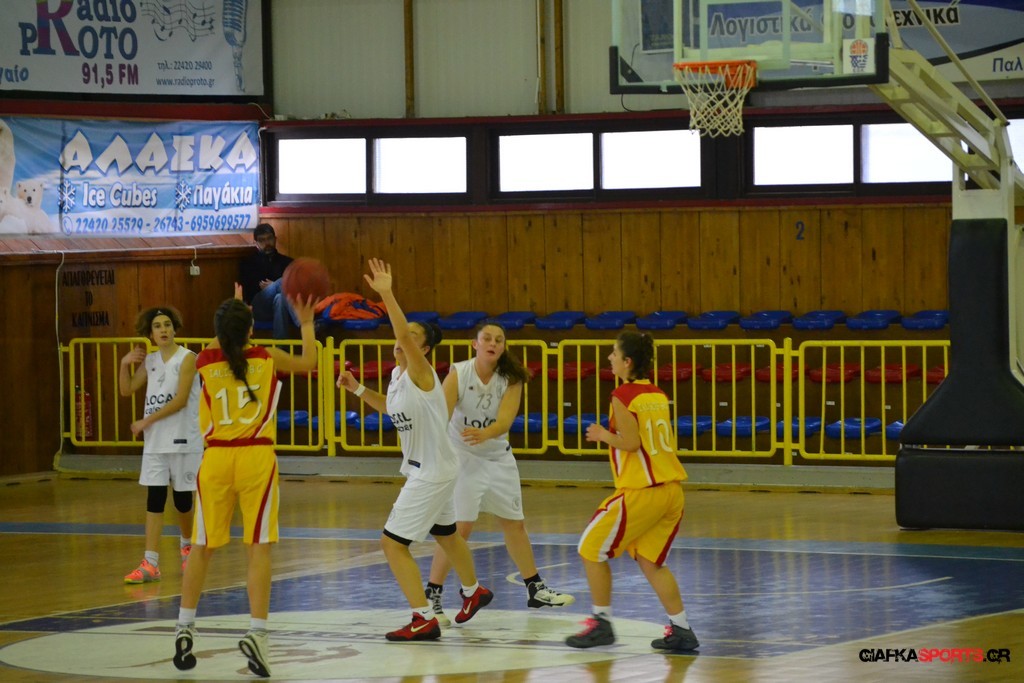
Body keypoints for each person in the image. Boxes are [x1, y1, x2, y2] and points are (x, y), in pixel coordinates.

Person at [337, 258, 493, 642]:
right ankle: (474, 591)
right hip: (436, 467)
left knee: (392, 544)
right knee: (447, 534)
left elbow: (403, 335)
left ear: (422, 348)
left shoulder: (422, 373)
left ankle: (423, 618)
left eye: (409, 335)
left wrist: (387, 293)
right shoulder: (398, 376)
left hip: (430, 472)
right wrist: (357, 388)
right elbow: (390, 408)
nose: (401, 338)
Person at [172, 294, 318, 677]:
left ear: (218, 333)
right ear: (251, 330)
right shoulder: (267, 357)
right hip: (256, 457)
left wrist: (232, 314)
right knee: (258, 547)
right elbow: (309, 361)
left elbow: (219, 341)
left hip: (215, 459)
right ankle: (257, 633)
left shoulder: (202, 361)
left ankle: (185, 626)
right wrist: (305, 323)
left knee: (201, 547)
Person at [424, 322, 574, 625]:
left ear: (503, 347)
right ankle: (433, 594)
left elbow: (505, 421)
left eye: (499, 340)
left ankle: (534, 588)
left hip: (497, 457)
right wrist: (436, 453)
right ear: (475, 344)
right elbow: (442, 414)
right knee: (459, 529)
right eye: (487, 339)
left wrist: (486, 433)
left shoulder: (512, 377)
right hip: (463, 457)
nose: (493, 343)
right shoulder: (459, 372)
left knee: (514, 524)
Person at [565, 331, 699, 654]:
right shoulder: (656, 393)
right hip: (672, 491)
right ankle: (682, 630)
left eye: (614, 353)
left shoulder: (622, 395)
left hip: (643, 490)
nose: (609, 358)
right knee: (652, 563)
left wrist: (601, 434)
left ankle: (601, 623)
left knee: (589, 548)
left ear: (627, 361)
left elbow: (631, 442)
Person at [119, 306, 202, 584]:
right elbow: (127, 389)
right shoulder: (151, 361)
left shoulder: (188, 358)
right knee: (154, 499)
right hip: (155, 442)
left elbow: (180, 401)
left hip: (183, 439)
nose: (163, 329)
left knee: (182, 500)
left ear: (174, 329)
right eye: (157, 326)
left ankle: (187, 546)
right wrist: (124, 364)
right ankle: (150, 563)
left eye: (167, 324)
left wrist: (146, 421)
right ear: (150, 333)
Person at [238, 222, 298, 339]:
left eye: (269, 238)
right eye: (262, 240)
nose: (267, 243)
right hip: (258, 306)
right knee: (282, 282)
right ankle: (303, 322)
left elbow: (295, 288)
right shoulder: (248, 263)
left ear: (275, 239)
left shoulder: (287, 262)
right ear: (256, 243)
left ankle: (281, 347)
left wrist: (274, 287)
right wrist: (273, 287)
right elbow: (246, 291)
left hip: (282, 307)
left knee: (279, 298)